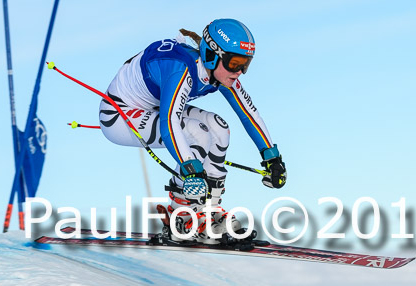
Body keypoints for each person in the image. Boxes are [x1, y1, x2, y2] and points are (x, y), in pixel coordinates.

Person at [99, 18, 286, 243]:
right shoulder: (181, 68)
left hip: (153, 107)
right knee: (197, 133)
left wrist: (272, 157)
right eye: (234, 63)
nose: (239, 72)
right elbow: (169, 123)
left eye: (245, 64)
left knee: (219, 127)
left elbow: (248, 113)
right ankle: (182, 216)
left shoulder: (217, 71)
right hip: (119, 114)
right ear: (212, 55)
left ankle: (210, 212)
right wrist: (191, 170)